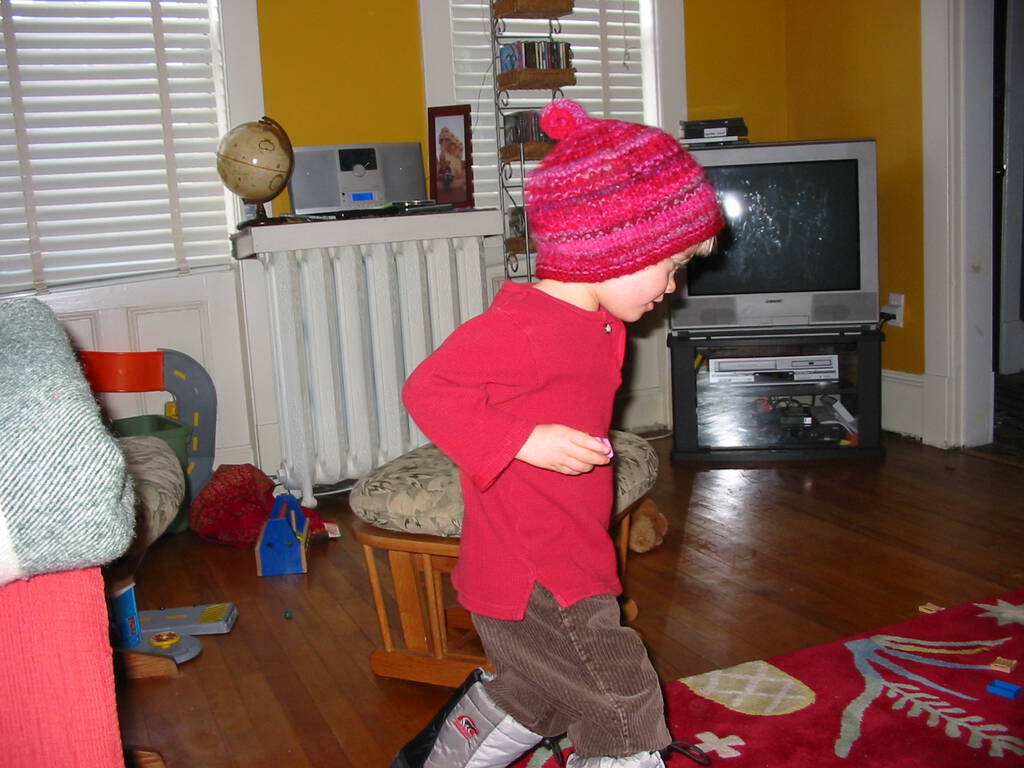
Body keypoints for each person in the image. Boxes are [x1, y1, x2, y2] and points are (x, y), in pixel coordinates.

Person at [391, 99, 724, 768]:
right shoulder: (523, 327)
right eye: (672, 265)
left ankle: (446, 758)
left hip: (569, 547)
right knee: (622, 700)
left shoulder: (598, 324)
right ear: (614, 248)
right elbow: (428, 389)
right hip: (534, 568)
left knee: (543, 693)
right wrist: (521, 439)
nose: (674, 286)